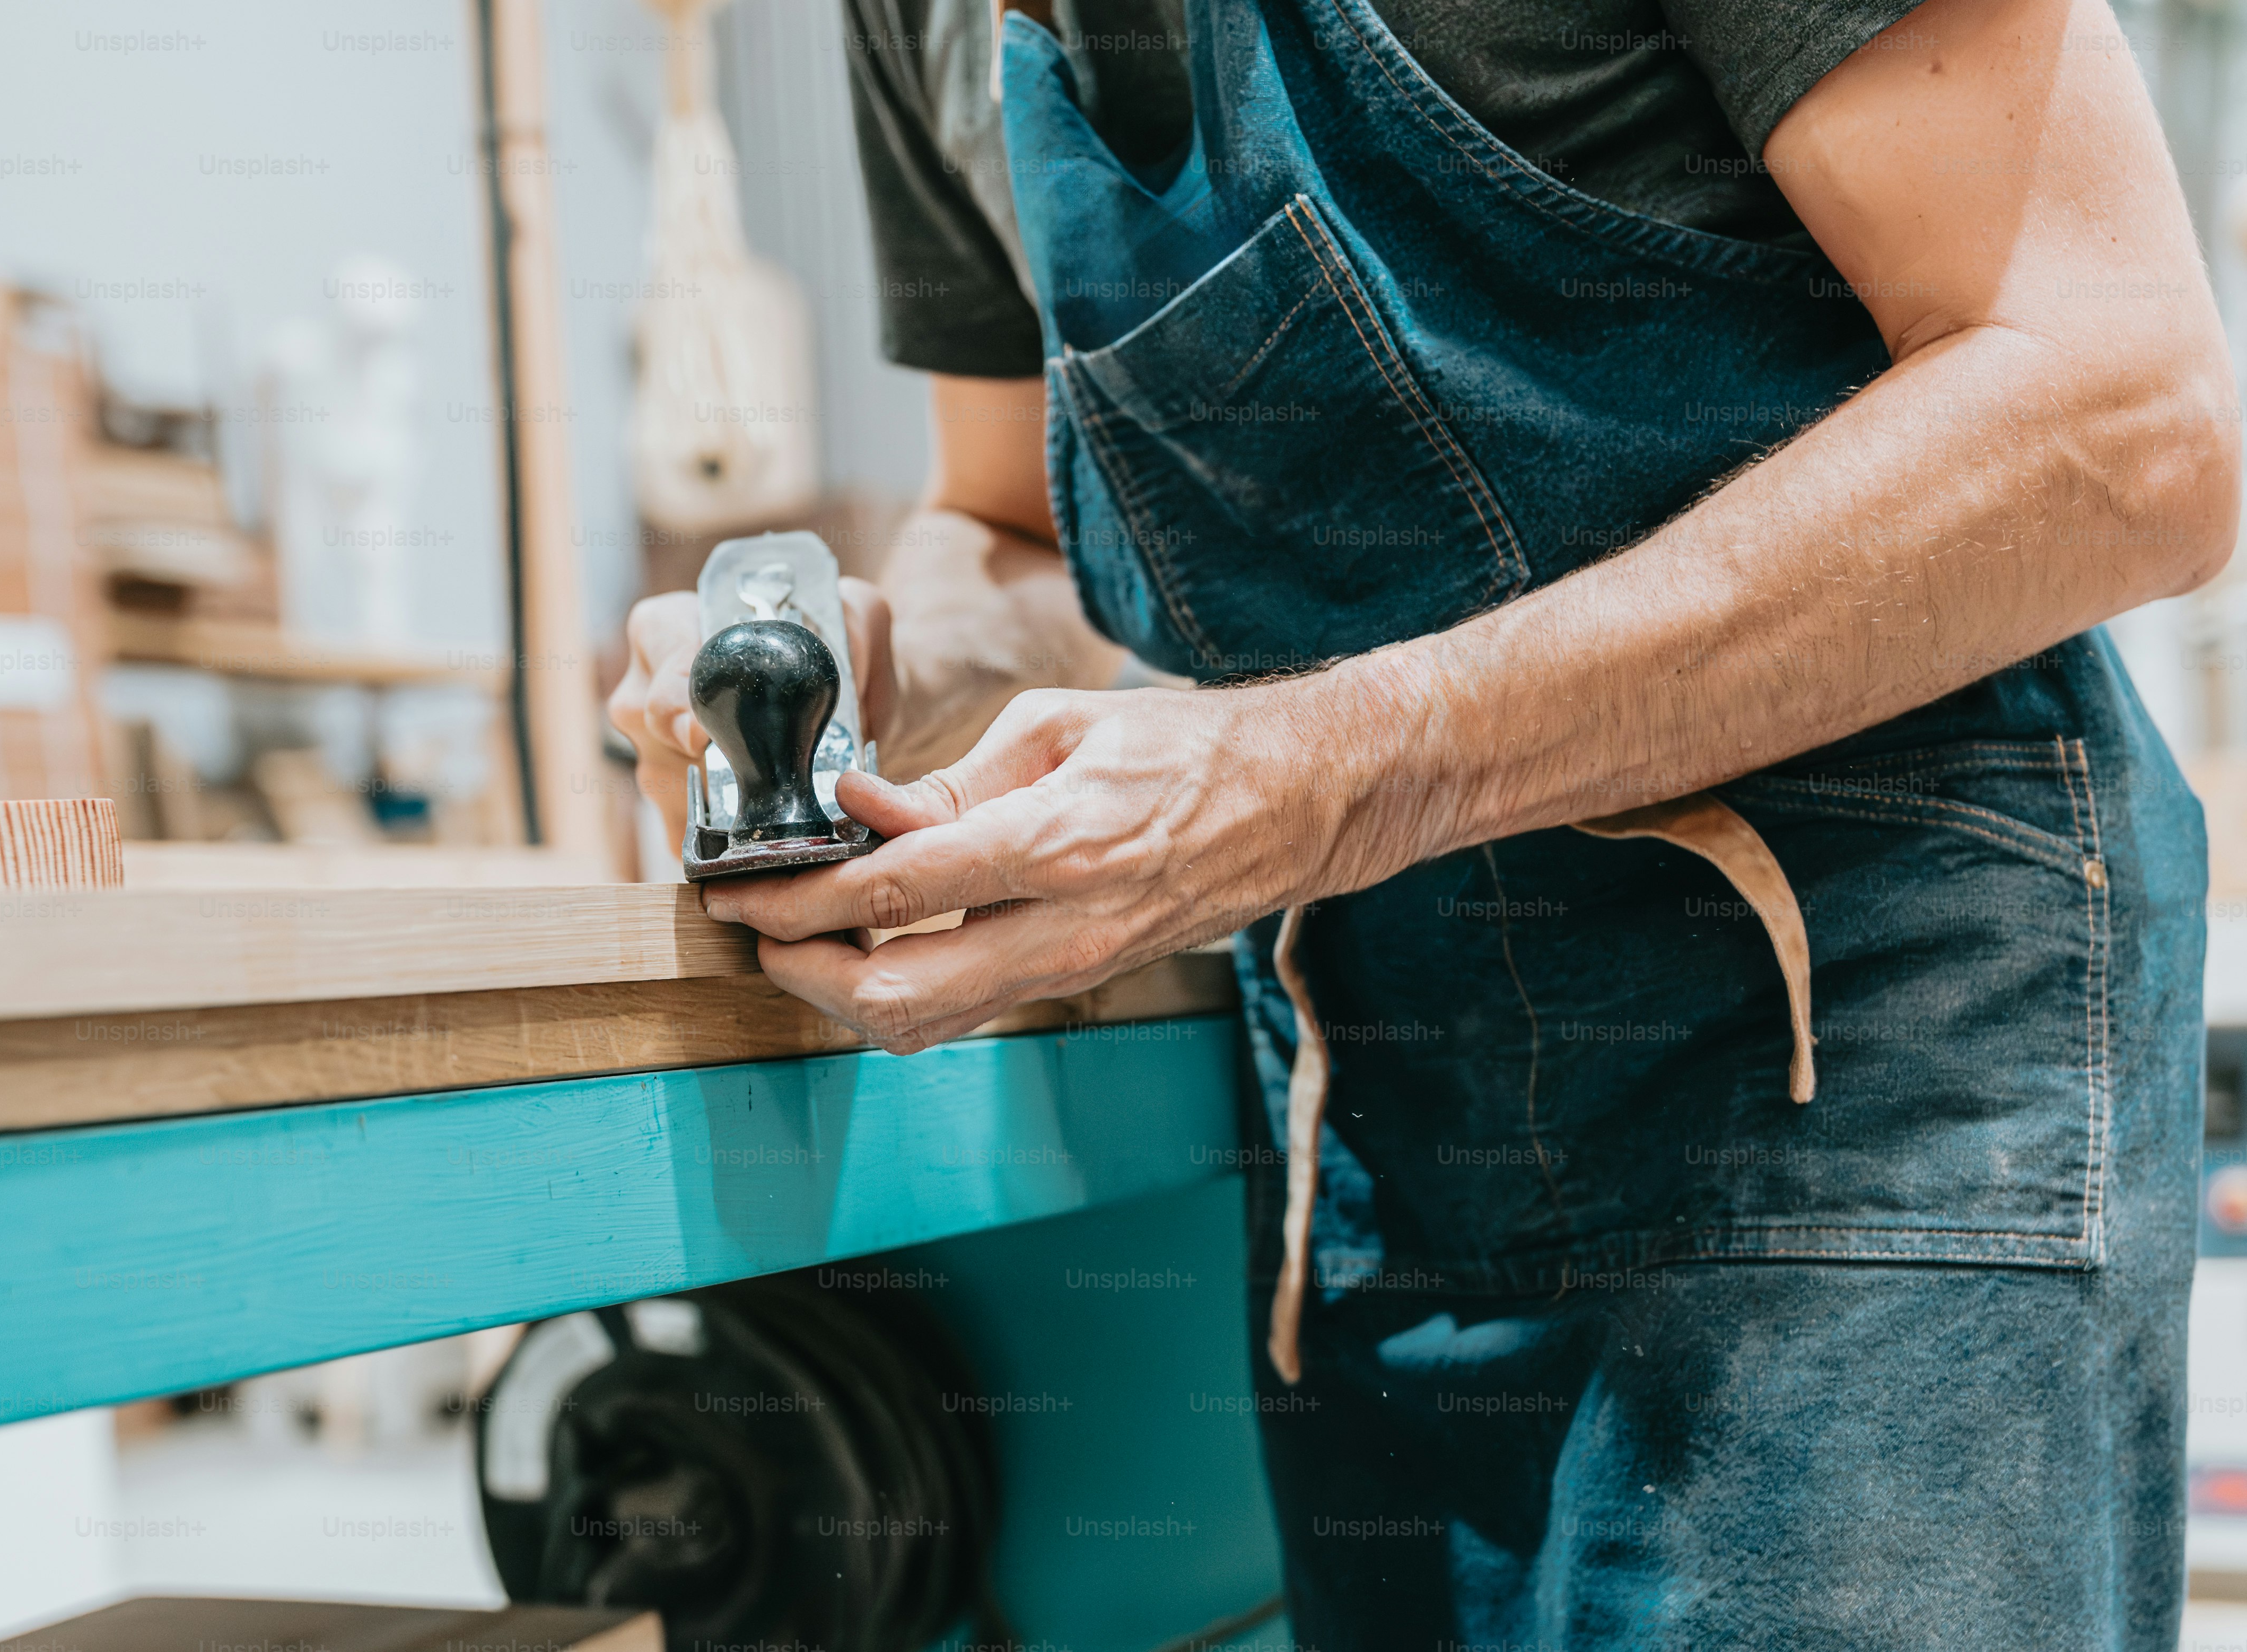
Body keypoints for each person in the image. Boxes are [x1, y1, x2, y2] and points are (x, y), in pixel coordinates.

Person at [609, 0, 2241, 1642]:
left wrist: (1330, 772)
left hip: (1866, 1079)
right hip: (1397, 1127)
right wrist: (840, 681)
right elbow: (1013, 531)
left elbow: (2123, 415)